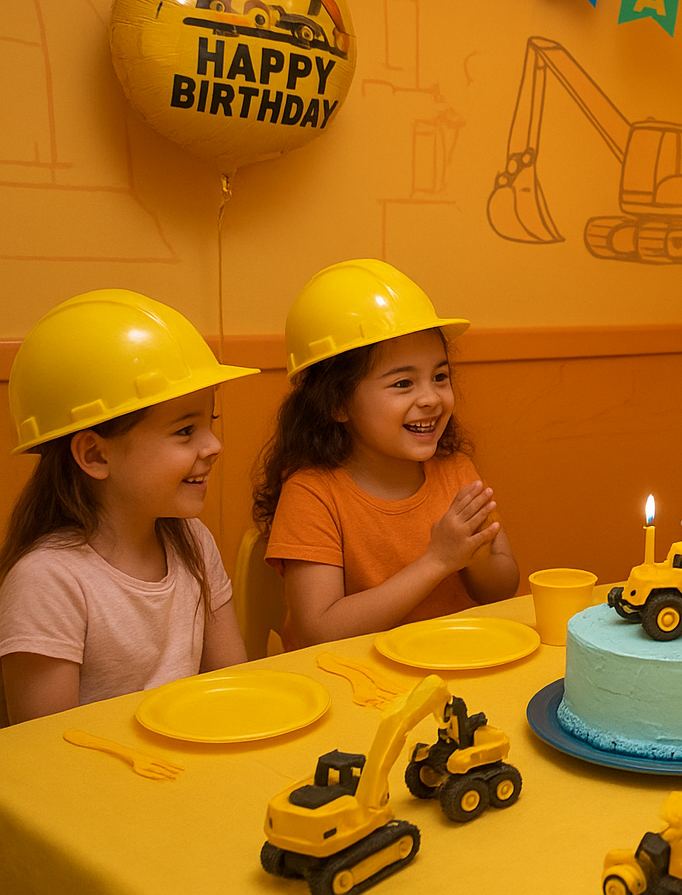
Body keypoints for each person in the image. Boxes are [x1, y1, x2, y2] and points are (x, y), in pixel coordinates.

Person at [0, 290, 256, 724]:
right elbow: (45, 749)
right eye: (185, 431)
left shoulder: (193, 541)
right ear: (95, 455)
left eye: (208, 423)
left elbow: (233, 688)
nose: (214, 445)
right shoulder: (46, 581)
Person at [253, 259, 519, 648]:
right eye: (403, 383)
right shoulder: (311, 494)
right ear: (336, 404)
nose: (431, 398)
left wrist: (475, 558)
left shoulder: (456, 471)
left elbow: (501, 590)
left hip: (448, 661)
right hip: (347, 674)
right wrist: (437, 561)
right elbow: (318, 631)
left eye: (440, 377)